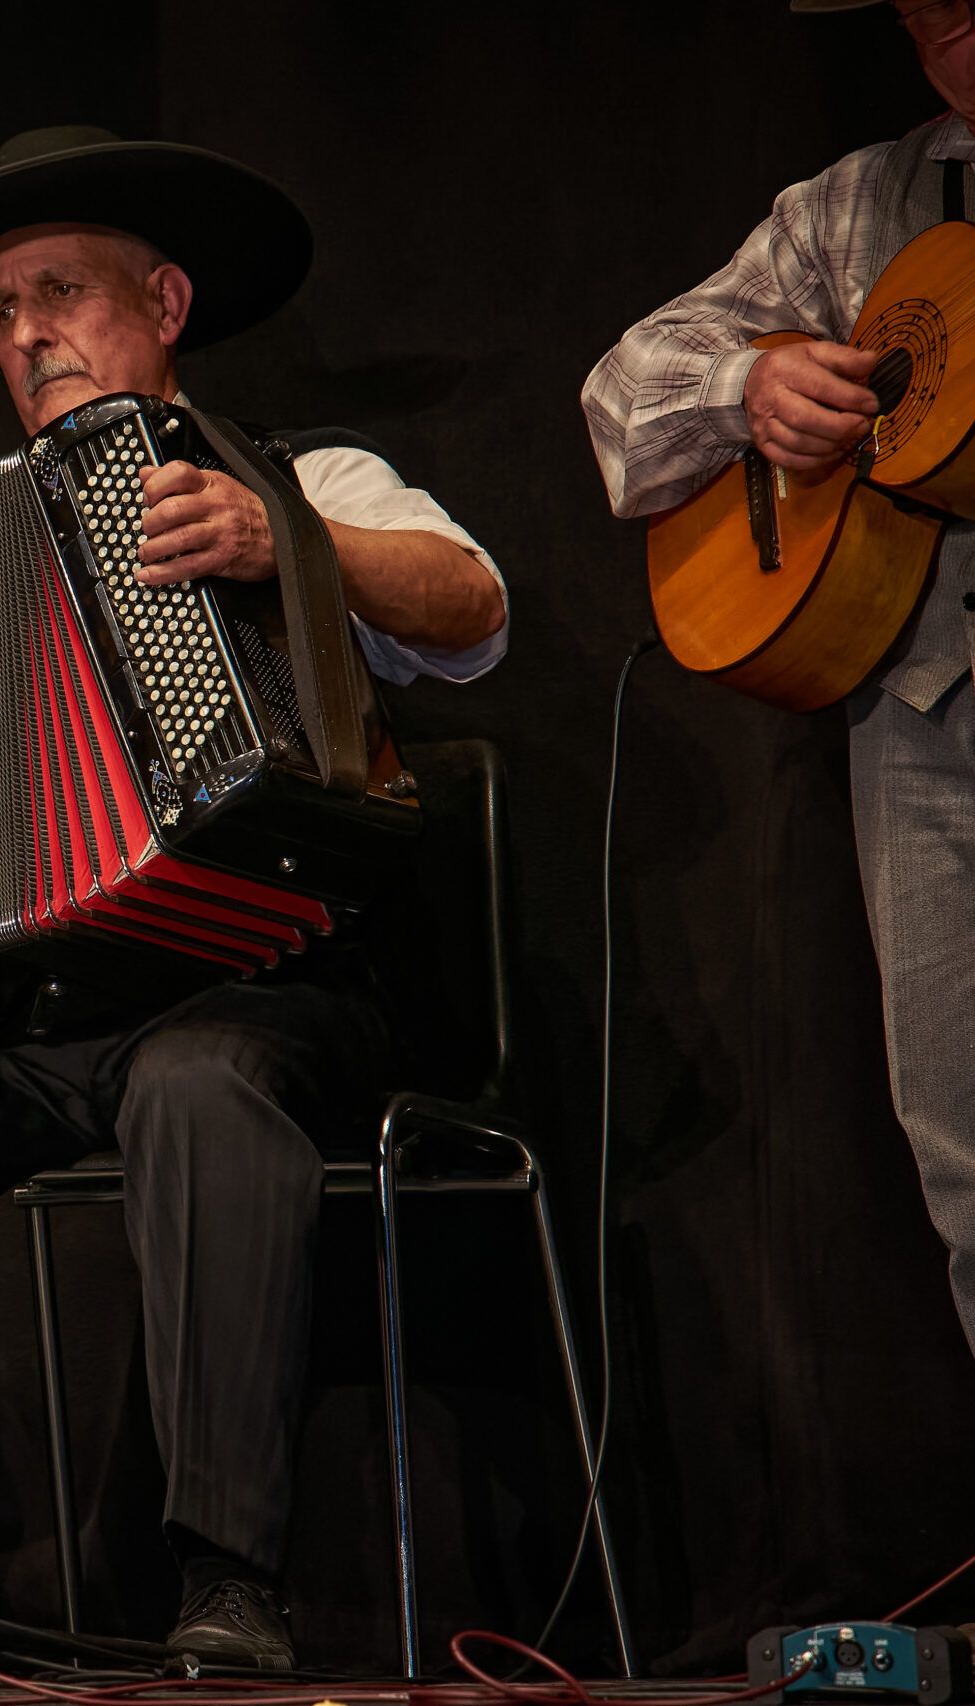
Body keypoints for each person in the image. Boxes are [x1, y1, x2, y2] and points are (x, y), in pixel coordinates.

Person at [0, 127, 506, 1669]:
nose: (27, 332)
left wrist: (286, 544)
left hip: (277, 981)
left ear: (166, 300)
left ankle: (225, 1578)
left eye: (59, 291)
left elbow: (475, 607)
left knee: (197, 1084)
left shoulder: (293, 472)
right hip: (40, 1008)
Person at [580, 1, 975, 1350]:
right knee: (966, 1158)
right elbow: (621, 399)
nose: (955, 27)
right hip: (929, 725)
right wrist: (750, 382)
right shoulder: (859, 207)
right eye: (927, 9)